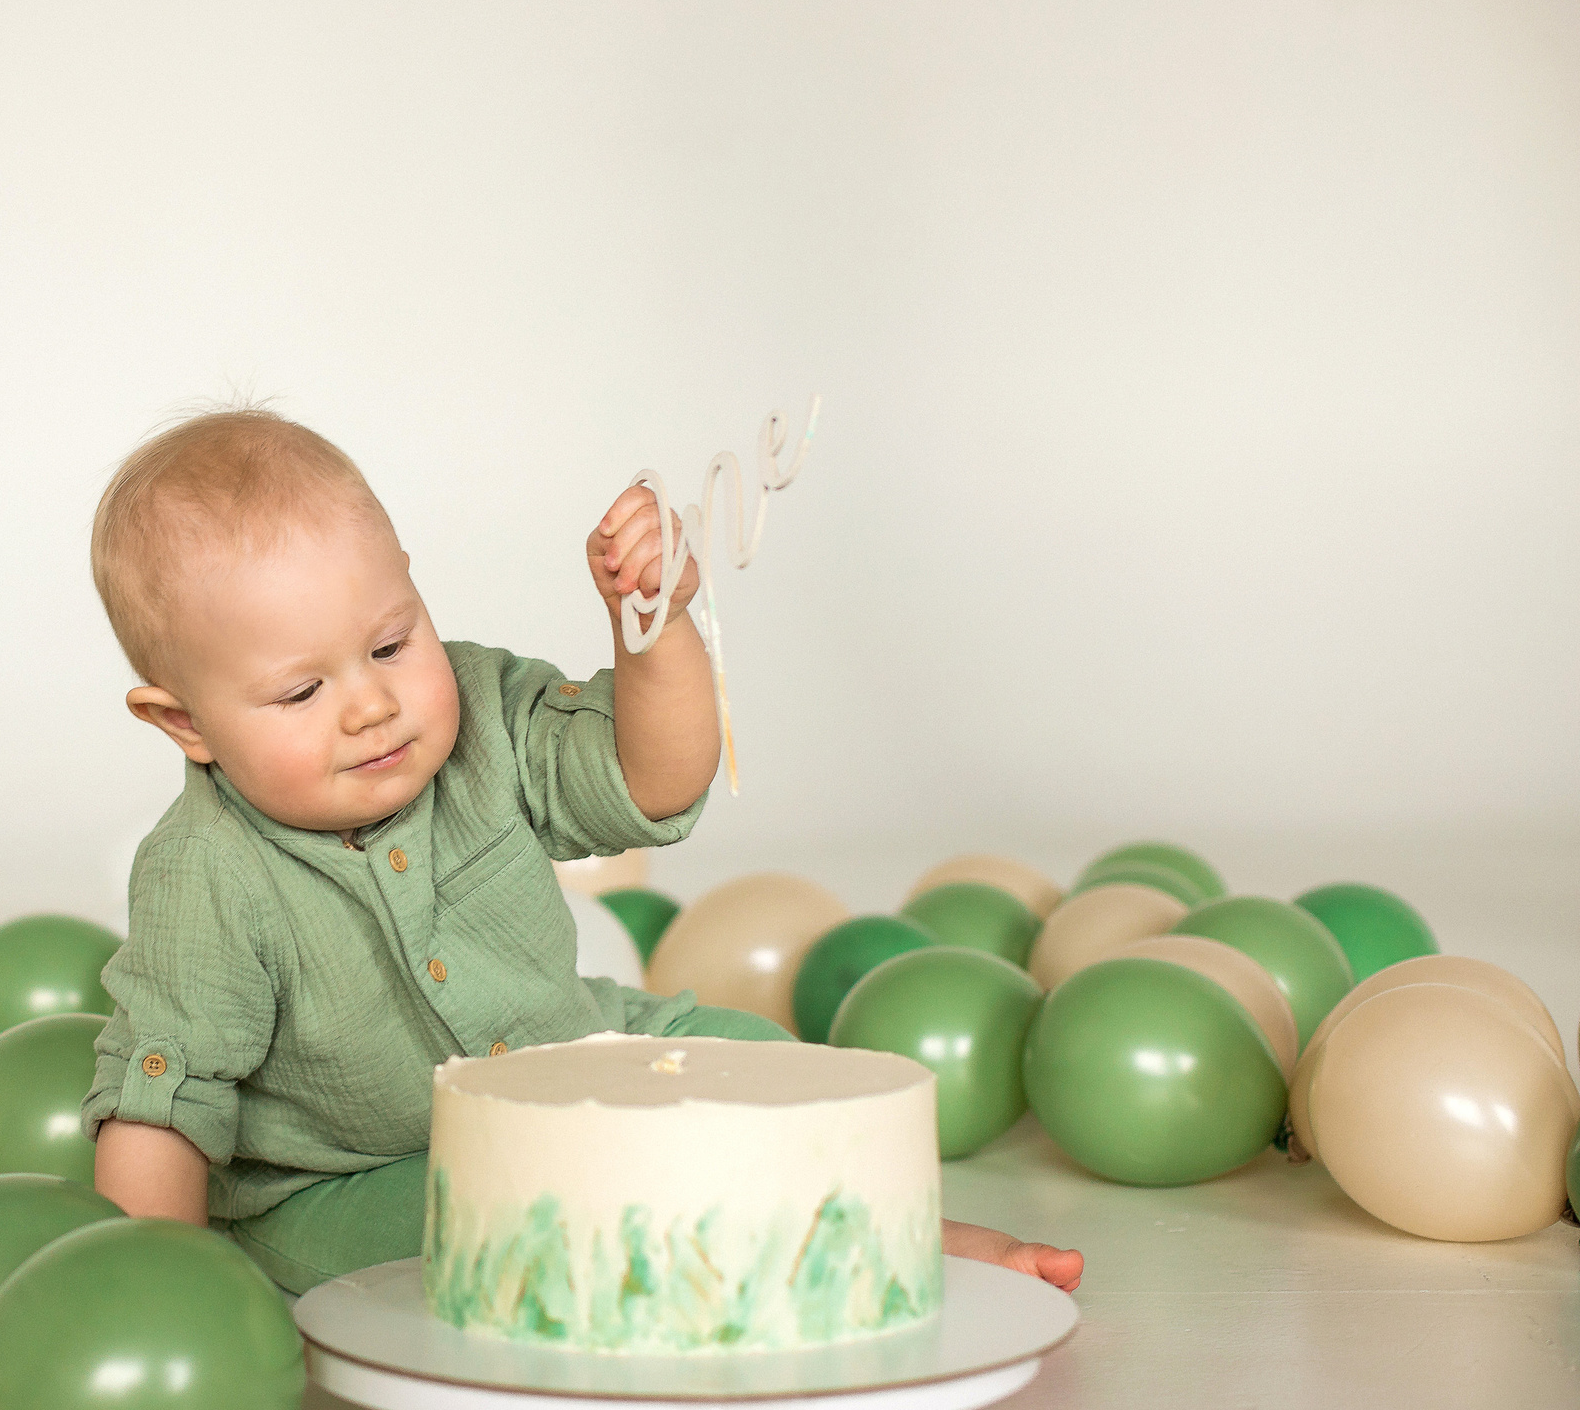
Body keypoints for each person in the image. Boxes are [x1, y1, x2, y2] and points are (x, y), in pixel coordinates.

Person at [81, 405, 1083, 1297]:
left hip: (573, 1061)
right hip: (357, 1180)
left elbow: (653, 780)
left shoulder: (484, 710)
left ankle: (898, 1232)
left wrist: (654, 630)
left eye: (391, 644)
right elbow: (162, 1104)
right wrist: (165, 1298)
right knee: (513, 1213)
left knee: (770, 1067)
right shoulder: (204, 870)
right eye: (303, 692)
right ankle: (726, 1273)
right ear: (185, 723)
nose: (372, 704)